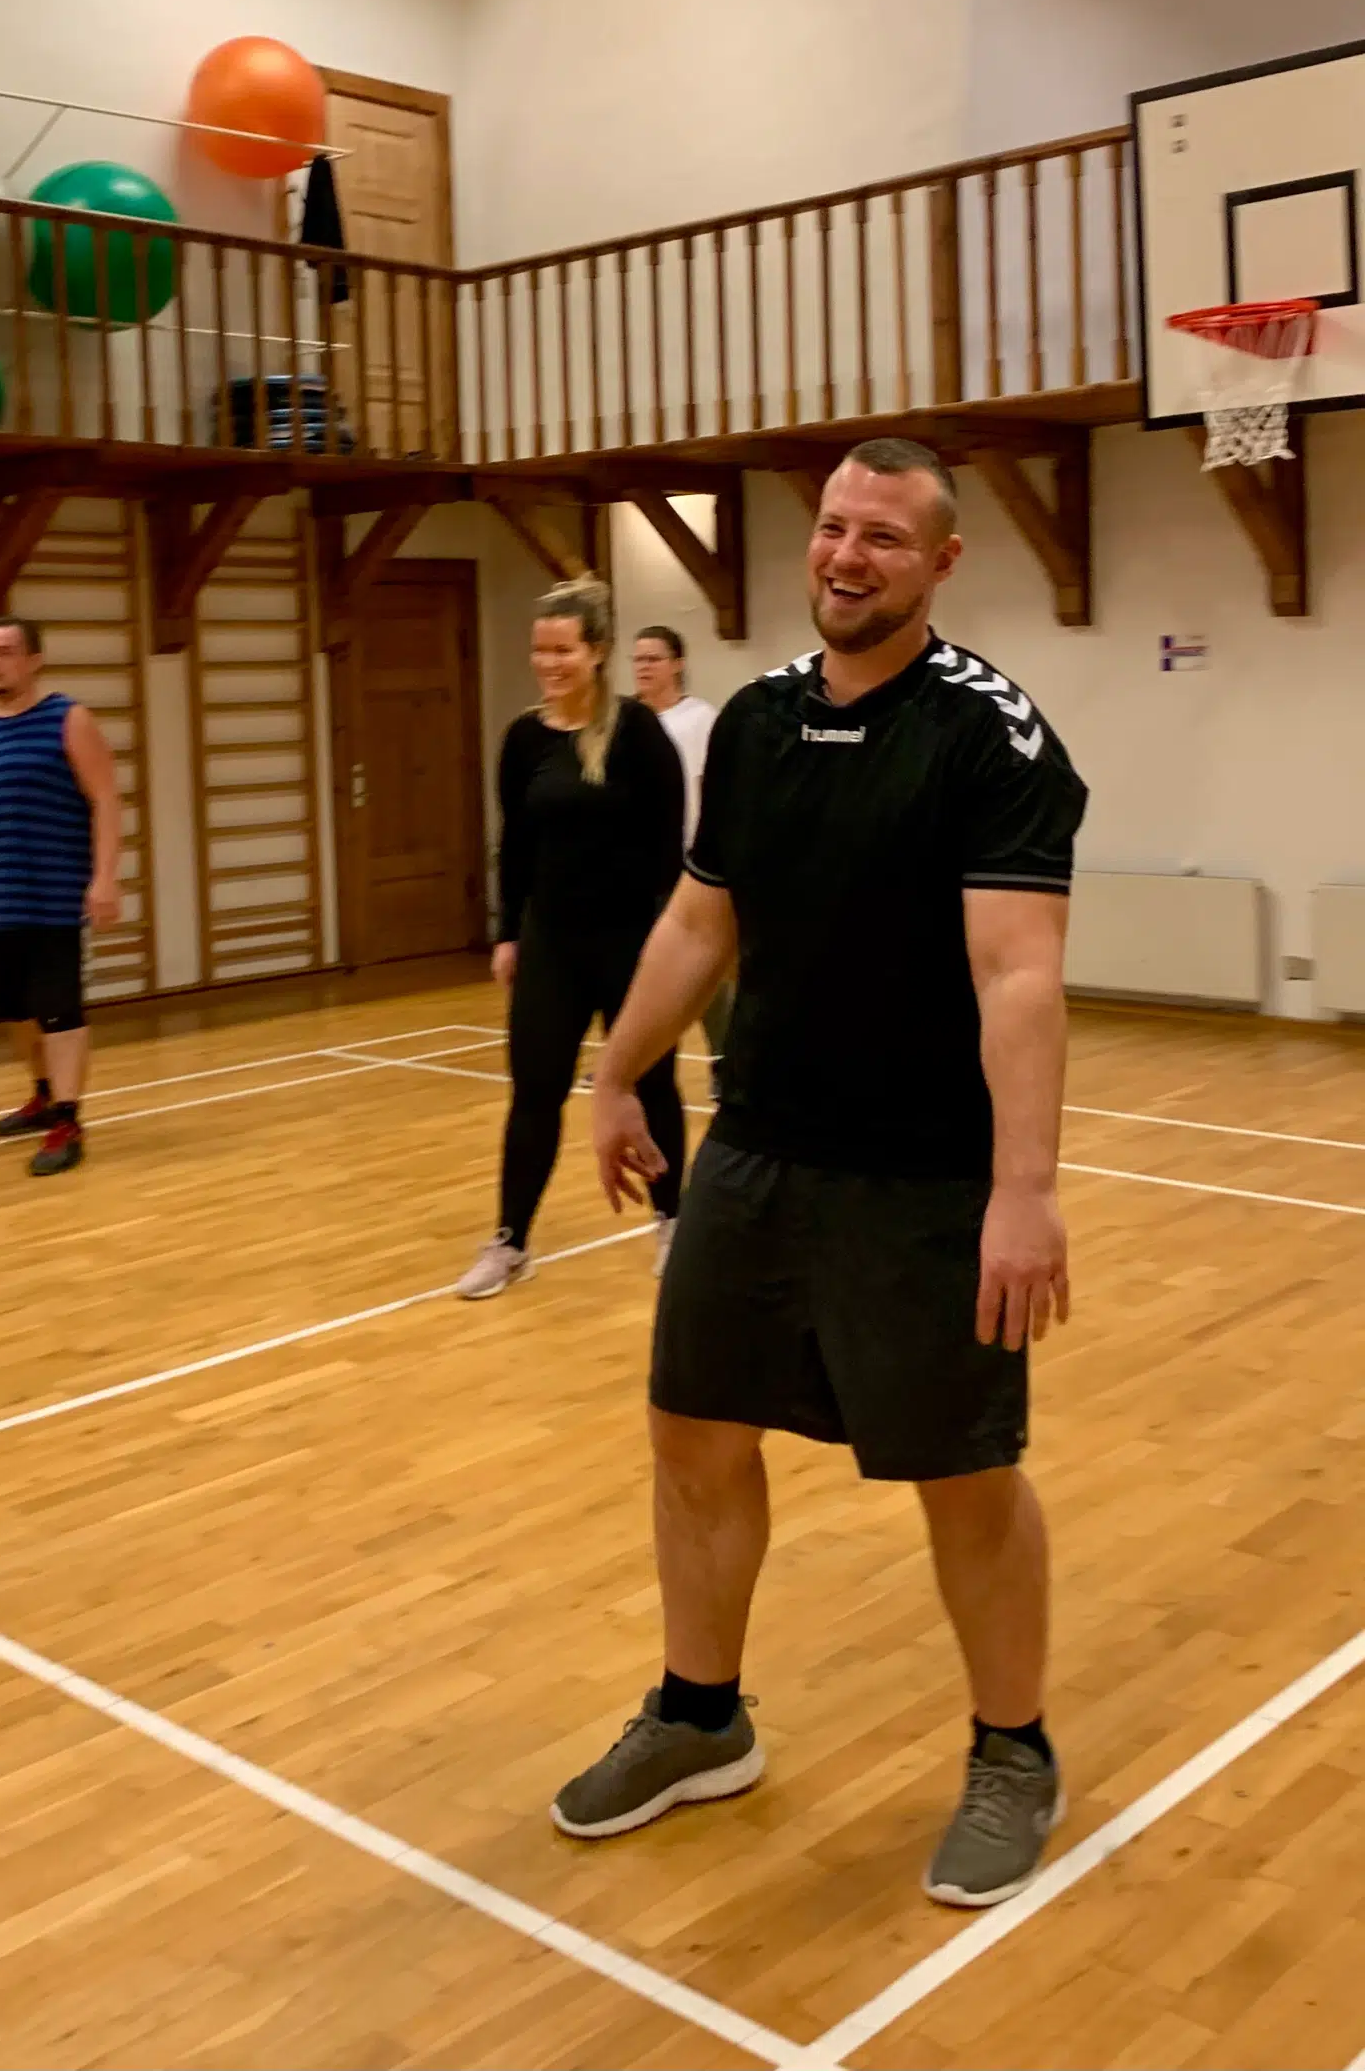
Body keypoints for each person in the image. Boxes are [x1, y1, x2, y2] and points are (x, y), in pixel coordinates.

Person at [552, 438, 1088, 1911]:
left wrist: (1024, 1189)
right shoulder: (765, 724)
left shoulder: (993, 737)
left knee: (963, 1476)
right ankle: (699, 1714)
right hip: (758, 1153)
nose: (849, 556)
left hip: (926, 1181)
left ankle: (1013, 1749)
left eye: (886, 539)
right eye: (835, 529)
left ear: (942, 562)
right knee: (694, 1435)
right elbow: (700, 921)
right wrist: (614, 1075)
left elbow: (1019, 974)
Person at [457, 576, 687, 1300]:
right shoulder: (523, 740)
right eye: (540, 650)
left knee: (650, 1085)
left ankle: (672, 1221)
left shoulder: (638, 733)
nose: (548, 663)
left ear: (597, 653)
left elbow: (668, 847)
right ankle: (510, 1241)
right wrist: (506, 935)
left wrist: (668, 943)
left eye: (563, 650)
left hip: (632, 945)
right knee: (534, 1093)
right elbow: (513, 846)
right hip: (551, 943)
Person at [0, 614, 121, 1176]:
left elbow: (106, 799)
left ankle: (67, 1119)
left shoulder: (68, 719)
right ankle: (40, 1096)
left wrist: (105, 878)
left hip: (54, 896)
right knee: (14, 1009)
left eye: (5, 651)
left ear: (34, 659)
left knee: (58, 1012)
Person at [632, 625, 732, 1091]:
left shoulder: (700, 721)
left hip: (688, 867)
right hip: (634, 868)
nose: (643, 667)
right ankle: (633, 1065)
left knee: (699, 973)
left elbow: (716, 795)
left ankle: (727, 1062)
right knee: (634, 971)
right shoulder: (626, 722)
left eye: (653, 658)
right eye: (637, 660)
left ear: (677, 664)